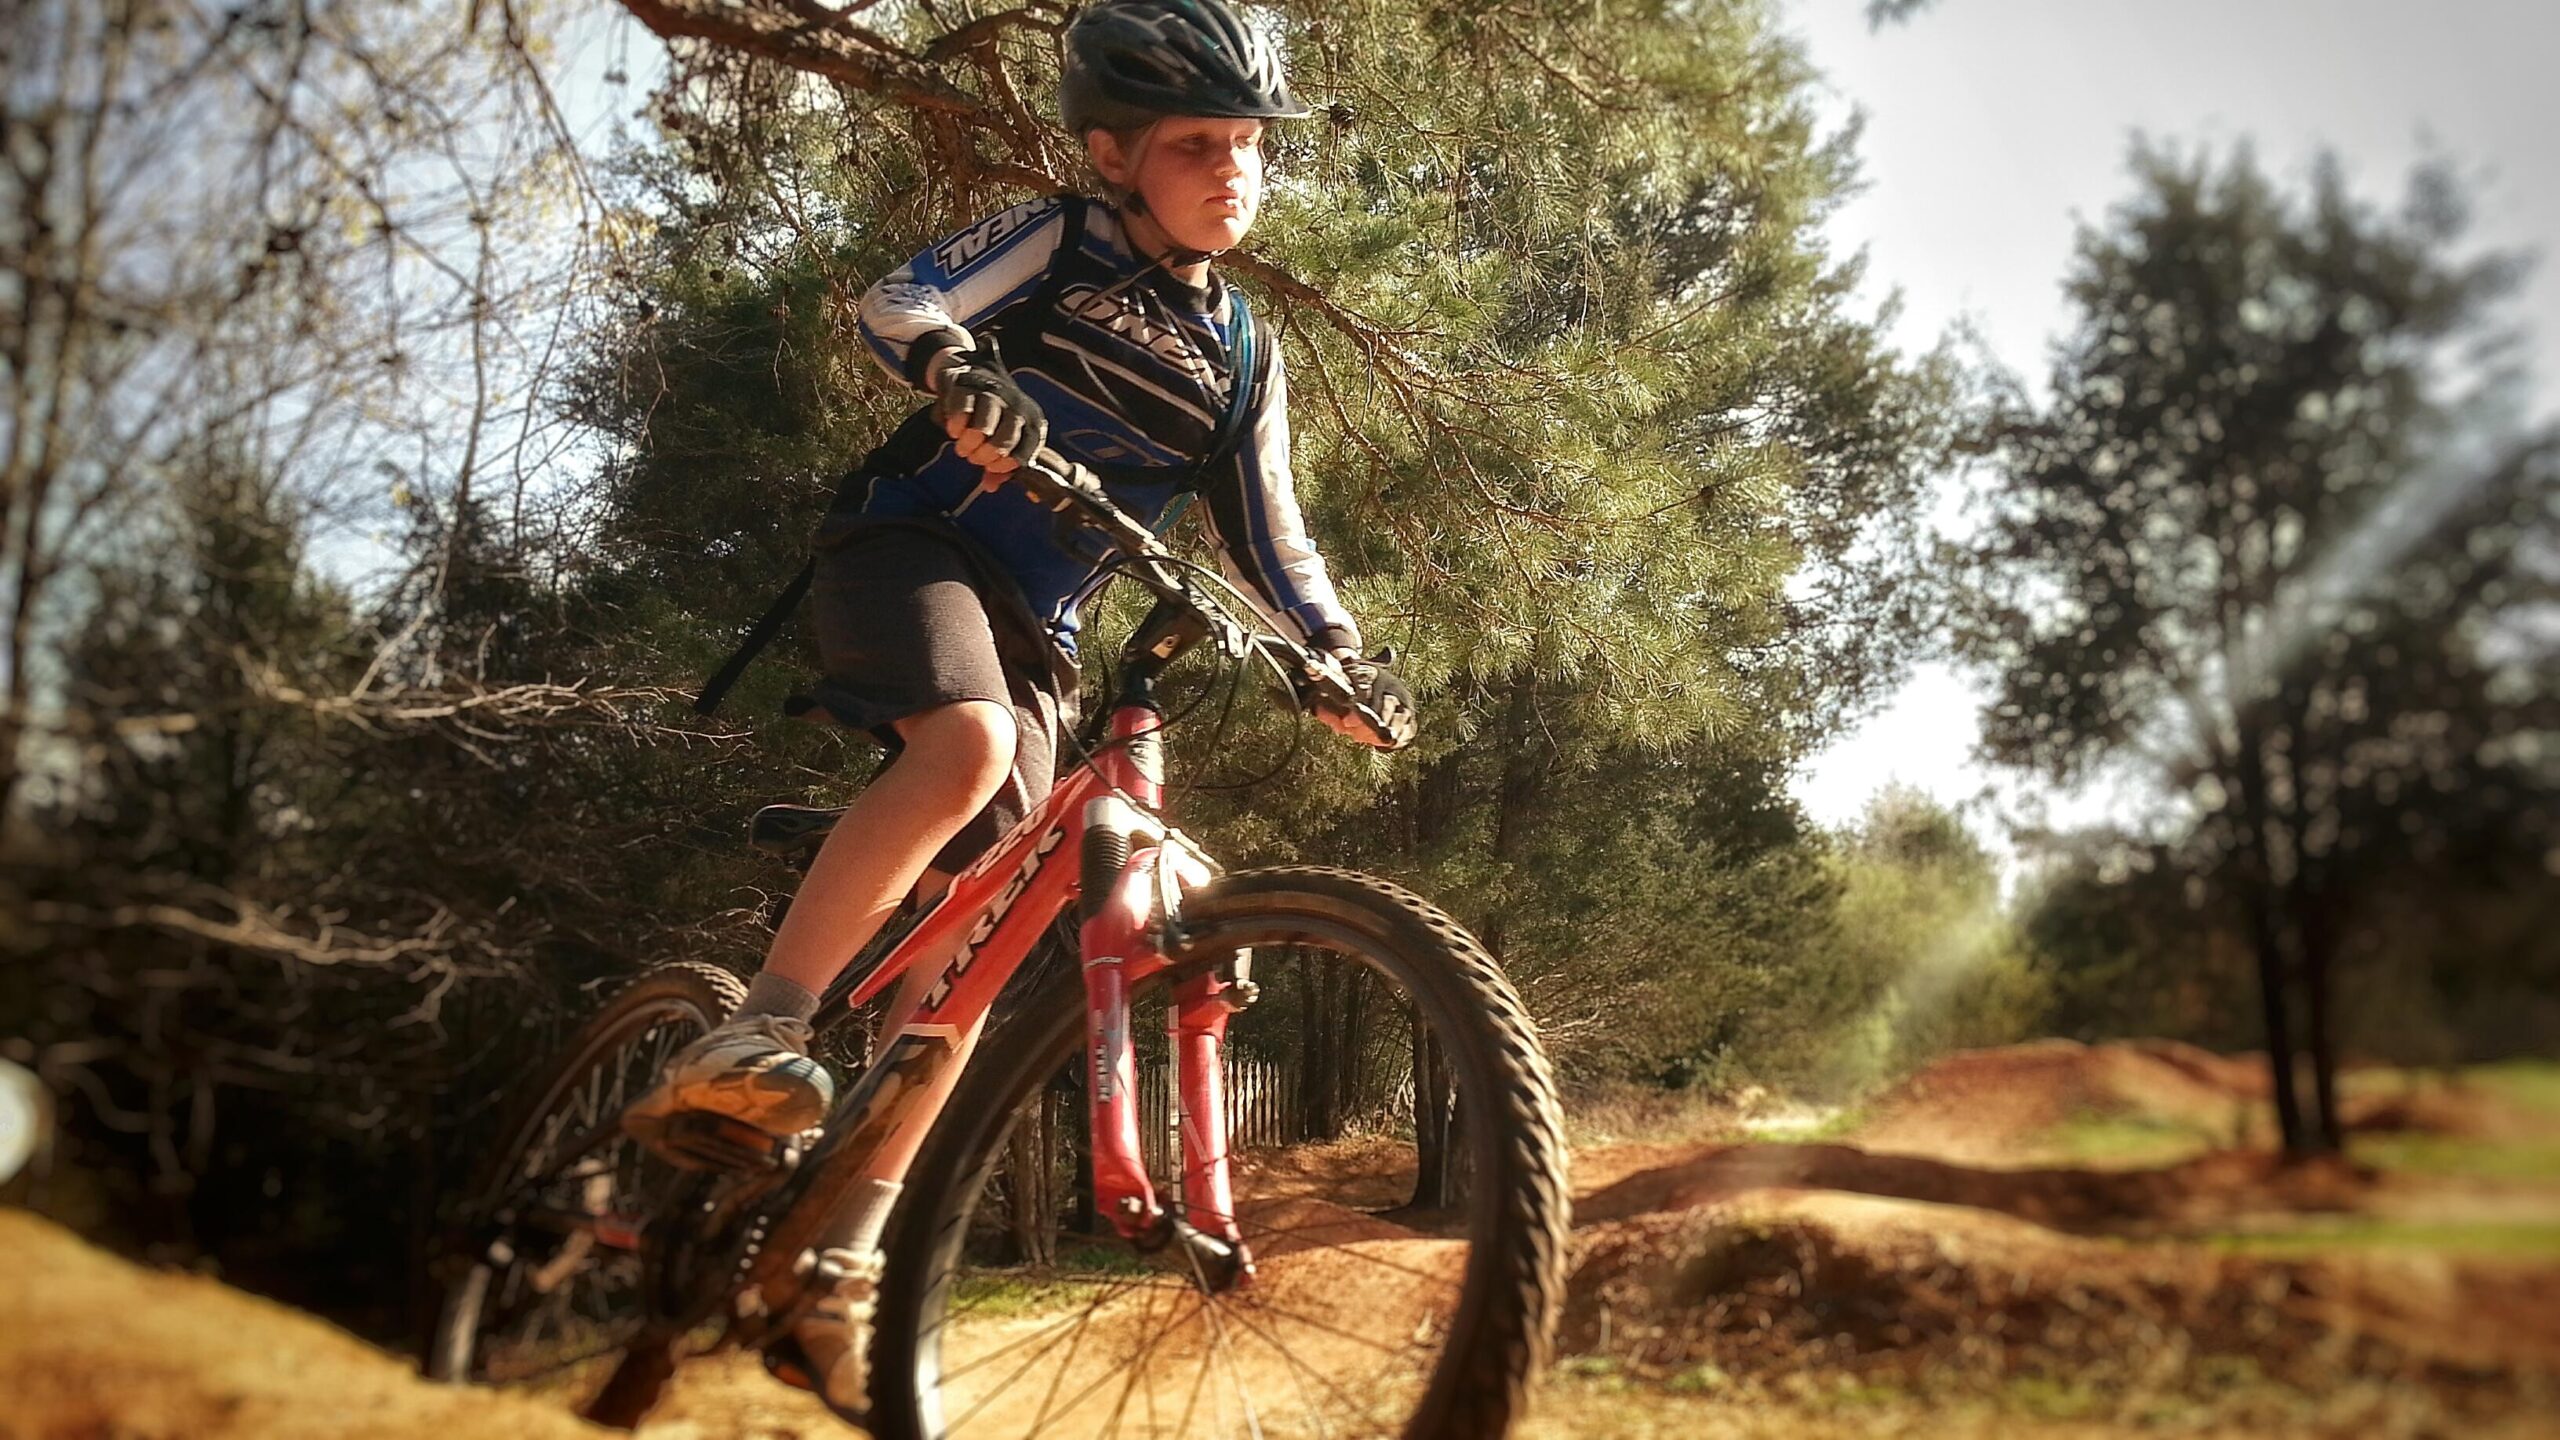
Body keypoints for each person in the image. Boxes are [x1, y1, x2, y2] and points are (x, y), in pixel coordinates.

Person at [617, 0, 1415, 1416]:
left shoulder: (1245, 353)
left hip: (1042, 630)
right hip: (915, 549)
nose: (1234, 169)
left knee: (964, 978)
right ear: (1114, 153)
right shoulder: (1058, 239)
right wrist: (959, 371)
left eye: (1248, 146)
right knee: (969, 744)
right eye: (1195, 145)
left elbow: (1273, 533)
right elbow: (898, 299)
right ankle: (764, 1027)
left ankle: (832, 1272)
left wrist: (1338, 650)